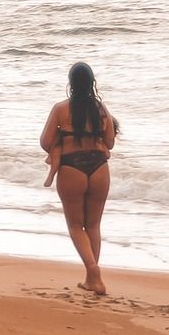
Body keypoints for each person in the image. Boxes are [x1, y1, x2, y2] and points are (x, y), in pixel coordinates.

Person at [40, 59, 117, 294]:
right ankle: (92, 278)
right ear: (92, 83)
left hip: (72, 168)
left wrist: (63, 139)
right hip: (99, 168)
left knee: (75, 225)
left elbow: (45, 142)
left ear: (70, 83)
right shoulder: (101, 109)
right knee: (93, 225)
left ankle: (93, 272)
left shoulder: (61, 109)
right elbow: (110, 143)